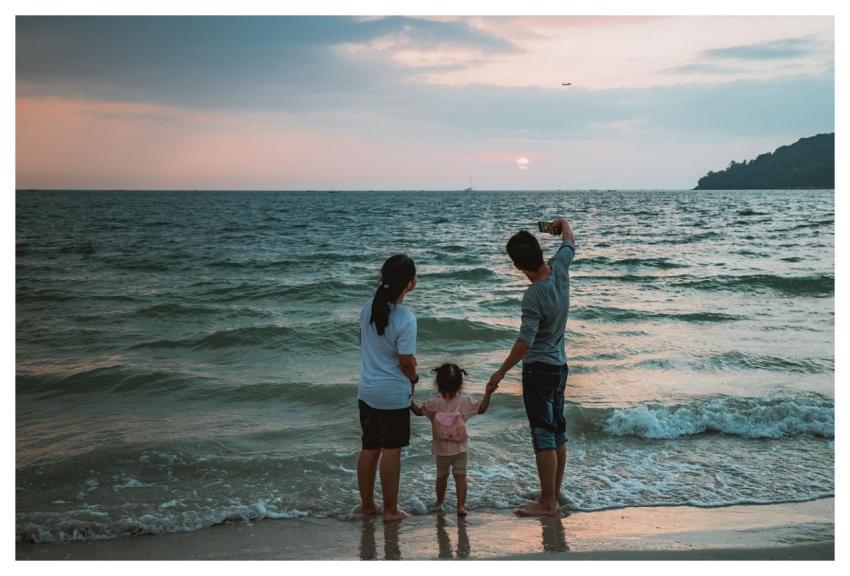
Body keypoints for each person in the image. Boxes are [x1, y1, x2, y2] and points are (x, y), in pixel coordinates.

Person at [487, 218, 576, 517]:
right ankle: (553, 492)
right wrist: (559, 224)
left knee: (543, 435)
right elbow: (569, 239)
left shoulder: (533, 294)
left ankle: (547, 503)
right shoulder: (560, 268)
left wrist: (499, 373)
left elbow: (525, 341)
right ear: (539, 250)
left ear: (516, 266)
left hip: (539, 369)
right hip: (560, 367)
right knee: (557, 431)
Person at [357, 254, 419, 523]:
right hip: (392, 394)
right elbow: (405, 362)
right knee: (391, 451)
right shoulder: (406, 318)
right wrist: (414, 378)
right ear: (409, 284)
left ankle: (368, 506)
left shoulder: (368, 307)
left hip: (367, 391)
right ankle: (391, 510)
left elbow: (363, 340)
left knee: (370, 448)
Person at [411, 363, 495, 516]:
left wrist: (408, 393)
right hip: (460, 449)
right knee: (460, 477)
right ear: (460, 384)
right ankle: (461, 506)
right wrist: (488, 393)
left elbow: (417, 411)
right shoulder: (465, 402)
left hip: (441, 450)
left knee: (441, 477)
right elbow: (481, 409)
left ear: (437, 382)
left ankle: (439, 503)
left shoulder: (433, 403)